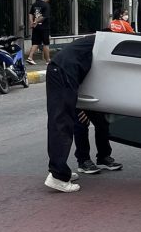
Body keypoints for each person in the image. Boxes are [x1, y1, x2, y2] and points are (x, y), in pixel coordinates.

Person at [45, 34, 122, 192]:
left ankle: (60, 171)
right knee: (61, 125)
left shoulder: (101, 42)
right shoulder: (109, 47)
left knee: (60, 124)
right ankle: (58, 176)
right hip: (64, 73)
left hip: (62, 71)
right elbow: (98, 79)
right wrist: (82, 107)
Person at [73, 110, 123, 176]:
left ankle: (103, 157)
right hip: (78, 102)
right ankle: (83, 161)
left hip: (94, 102)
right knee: (81, 125)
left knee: (103, 123)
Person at [27, 0, 52, 65]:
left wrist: (32, 22)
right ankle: (48, 60)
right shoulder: (46, 5)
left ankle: (30, 57)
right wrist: (36, 22)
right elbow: (44, 17)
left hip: (36, 27)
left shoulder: (35, 4)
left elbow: (31, 14)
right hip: (44, 27)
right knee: (46, 43)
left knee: (35, 43)